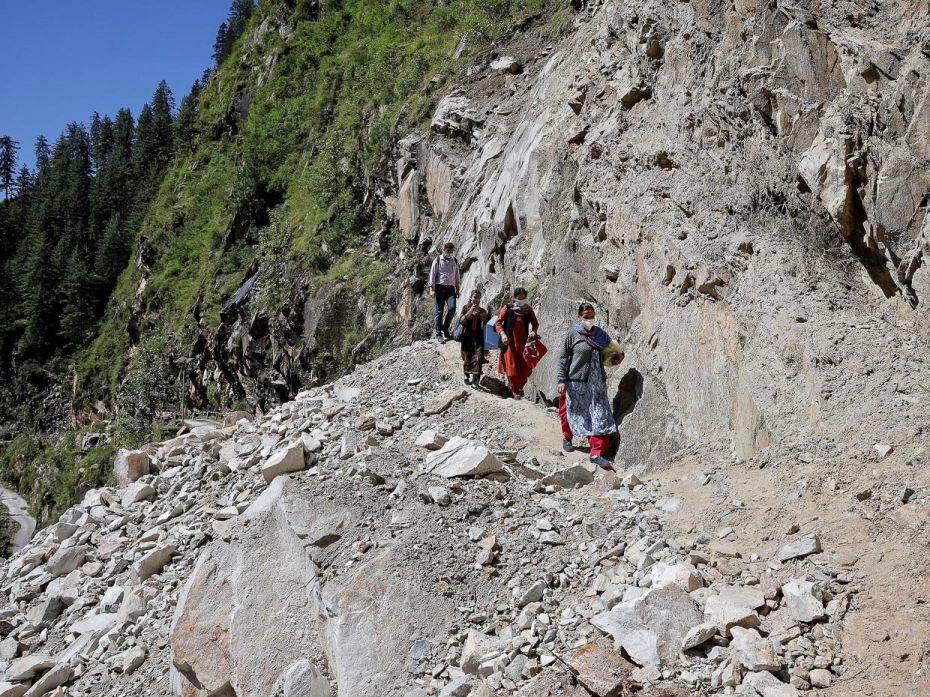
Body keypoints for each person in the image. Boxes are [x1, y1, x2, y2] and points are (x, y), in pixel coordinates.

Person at [557, 303, 617, 468]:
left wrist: (616, 358)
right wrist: (561, 380)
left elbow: (613, 350)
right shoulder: (573, 335)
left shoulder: (601, 335)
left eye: (591, 316)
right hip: (576, 381)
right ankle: (567, 437)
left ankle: (596, 452)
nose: (589, 319)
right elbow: (563, 357)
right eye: (585, 317)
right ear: (579, 317)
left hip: (597, 383)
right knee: (570, 411)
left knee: (600, 414)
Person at [495, 287, 540, 399]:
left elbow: (535, 324)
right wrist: (503, 334)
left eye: (523, 297)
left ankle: (519, 388)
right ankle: (514, 390)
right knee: (512, 366)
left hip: (523, 342)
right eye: (518, 297)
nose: (521, 299)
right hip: (509, 342)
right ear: (514, 298)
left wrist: (533, 332)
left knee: (524, 366)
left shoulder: (528, 310)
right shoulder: (508, 308)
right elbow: (498, 322)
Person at [428, 242, 461, 343]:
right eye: (449, 251)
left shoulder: (454, 261)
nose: (450, 252)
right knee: (439, 311)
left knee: (452, 308)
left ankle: (445, 327)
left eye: (452, 251)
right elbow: (432, 275)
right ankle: (439, 334)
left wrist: (458, 289)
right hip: (439, 288)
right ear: (445, 250)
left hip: (450, 289)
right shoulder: (437, 260)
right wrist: (432, 289)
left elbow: (457, 275)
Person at [458, 289, 489, 387]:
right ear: (471, 297)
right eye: (475, 297)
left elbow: (486, 322)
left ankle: (475, 381)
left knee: (478, 357)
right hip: (467, 336)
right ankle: (466, 376)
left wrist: (482, 315)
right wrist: (470, 312)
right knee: (467, 357)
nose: (476, 299)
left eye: (478, 298)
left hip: (478, 336)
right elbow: (462, 321)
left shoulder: (482, 310)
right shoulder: (465, 308)